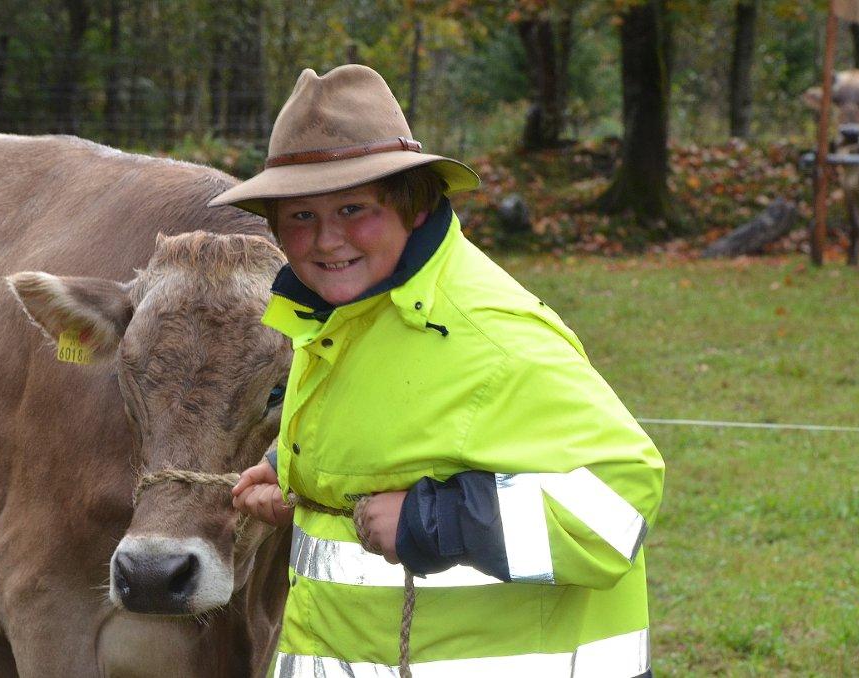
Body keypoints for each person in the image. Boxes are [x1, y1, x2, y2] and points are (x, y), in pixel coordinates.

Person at [210, 64, 664, 678]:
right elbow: (402, 434)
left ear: (416, 204)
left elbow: (620, 501)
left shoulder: (491, 336)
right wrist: (293, 469)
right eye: (300, 216)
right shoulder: (348, 314)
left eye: (353, 208)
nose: (326, 240)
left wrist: (435, 521)